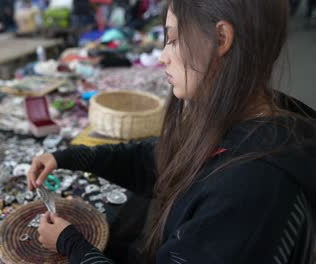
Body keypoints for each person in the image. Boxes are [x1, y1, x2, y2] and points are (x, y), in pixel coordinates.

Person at [27, 0, 316, 263]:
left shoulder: (250, 190)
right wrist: (66, 157)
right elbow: (156, 159)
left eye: (173, 39)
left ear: (221, 39)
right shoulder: (240, 118)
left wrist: (71, 244)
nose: (163, 56)